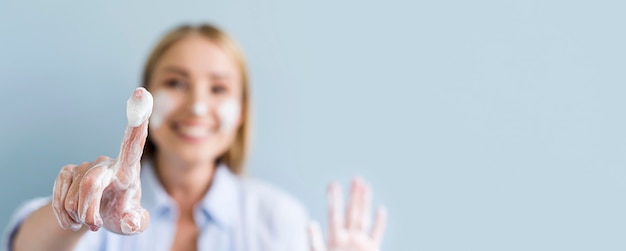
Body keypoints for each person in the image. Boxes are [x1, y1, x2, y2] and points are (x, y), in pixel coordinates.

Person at [3, 23, 387, 251]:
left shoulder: (278, 221)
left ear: (242, 112)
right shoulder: (103, 208)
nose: (198, 107)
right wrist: (72, 211)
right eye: (176, 83)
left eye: (218, 89)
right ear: (145, 98)